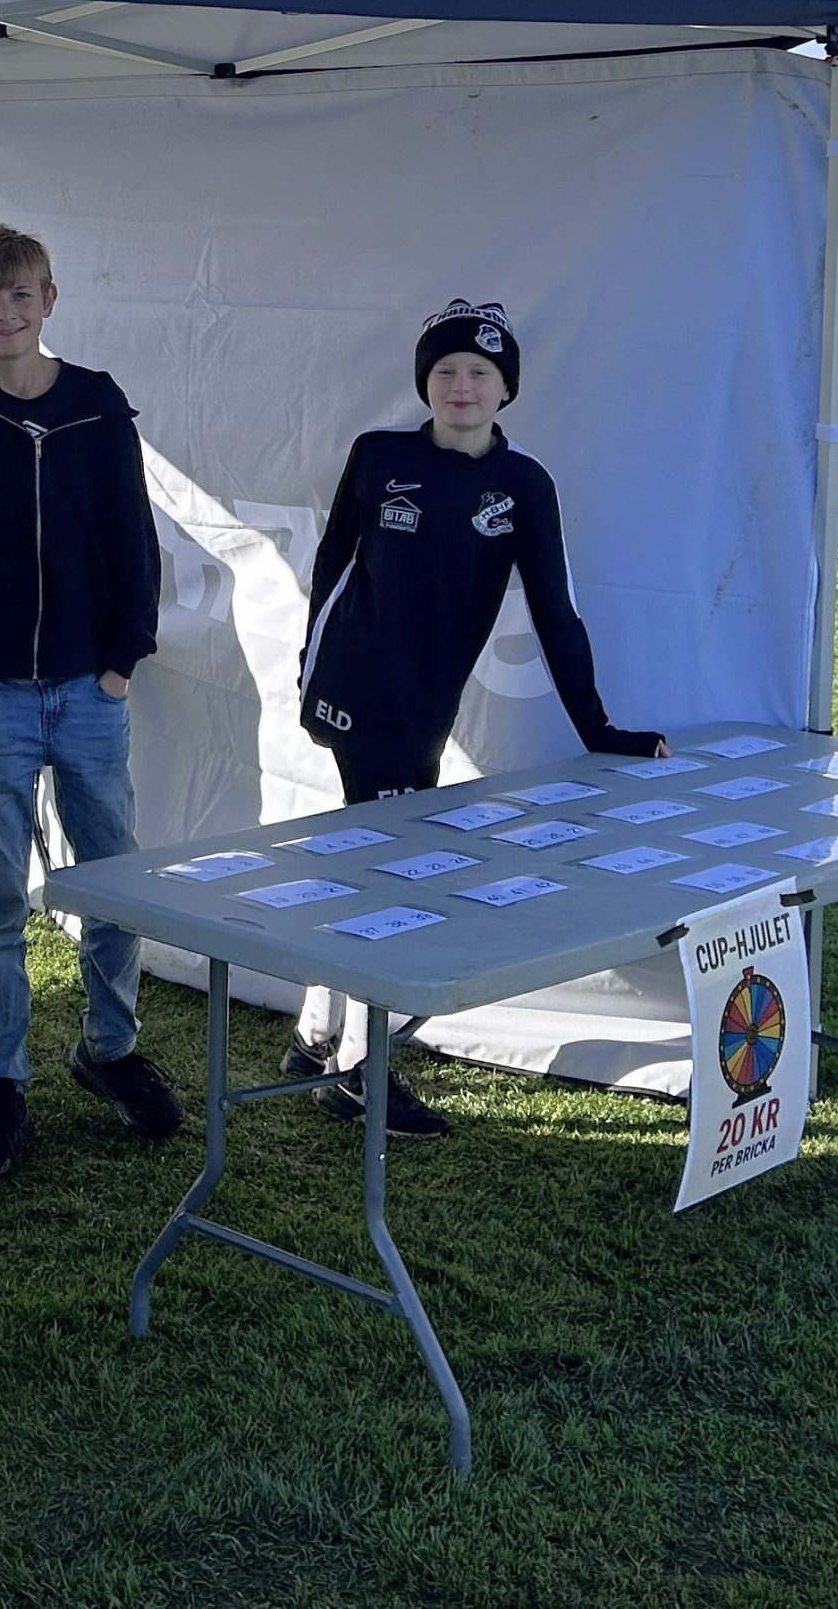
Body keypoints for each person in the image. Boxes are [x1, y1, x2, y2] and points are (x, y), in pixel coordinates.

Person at [291, 299, 668, 1134]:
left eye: (479, 374)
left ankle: (316, 1031)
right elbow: (332, 564)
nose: (460, 386)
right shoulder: (378, 455)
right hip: (358, 692)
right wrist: (309, 671)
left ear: (505, 390)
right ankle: (357, 1072)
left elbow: (556, 613)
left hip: (428, 703)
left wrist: (600, 730)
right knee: (393, 871)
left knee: (368, 854)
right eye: (445, 371)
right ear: (425, 381)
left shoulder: (523, 486)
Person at [0, 222, 177, 1177]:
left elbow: (135, 542)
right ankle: (1, 1087)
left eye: (20, 296)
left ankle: (110, 1047)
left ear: (49, 300)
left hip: (92, 690)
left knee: (113, 883)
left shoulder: (98, 407)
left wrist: (121, 661)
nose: (5, 314)